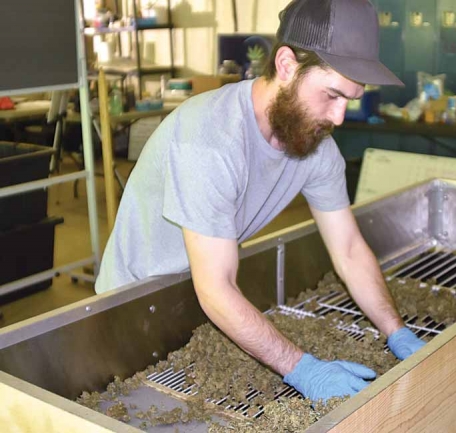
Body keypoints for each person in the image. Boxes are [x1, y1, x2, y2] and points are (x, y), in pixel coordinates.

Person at [95, 0, 425, 403]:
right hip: (132, 312)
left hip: (202, 303)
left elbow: (351, 250)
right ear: (286, 65)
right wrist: (303, 369)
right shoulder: (210, 139)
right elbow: (216, 289)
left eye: (350, 101)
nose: (339, 117)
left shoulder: (315, 146)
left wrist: (397, 330)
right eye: (332, 95)